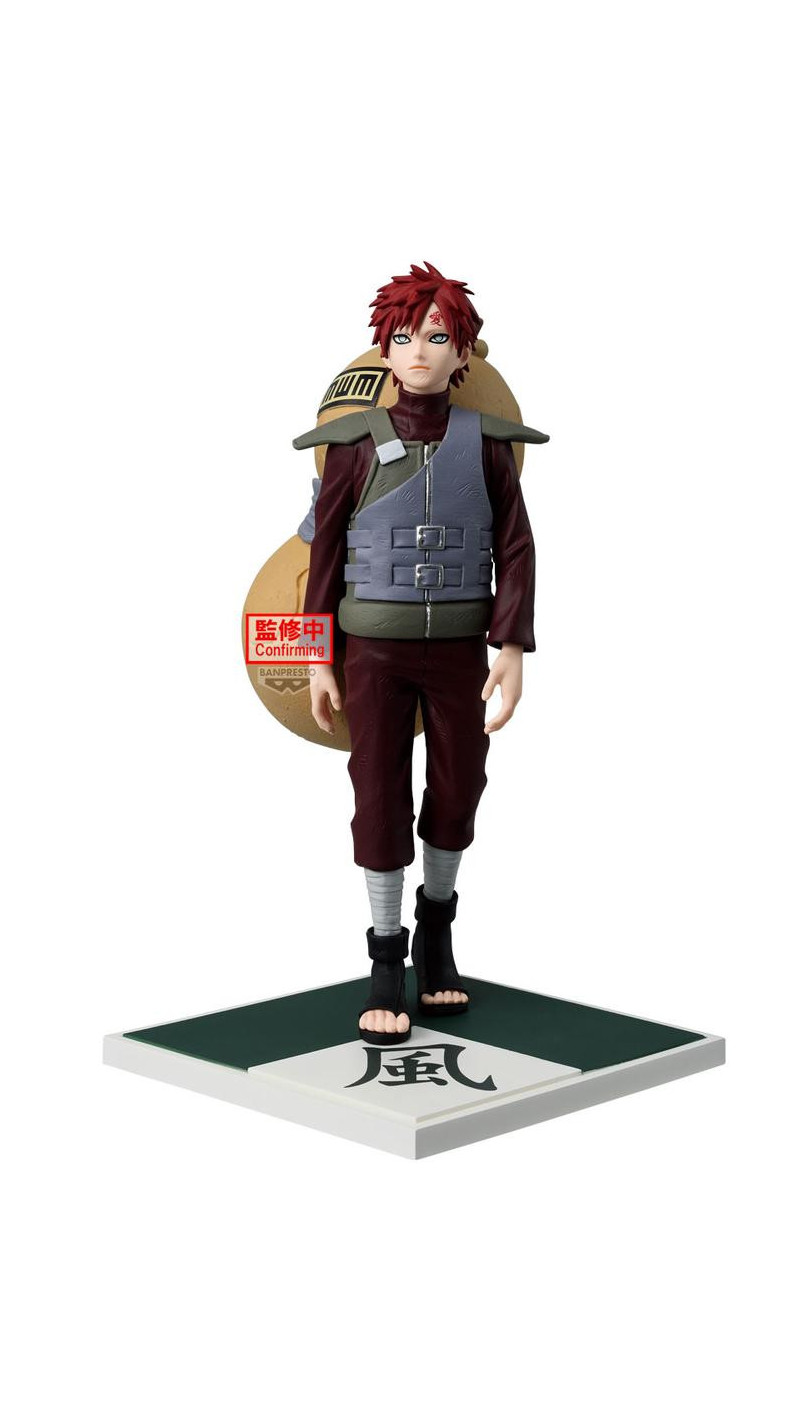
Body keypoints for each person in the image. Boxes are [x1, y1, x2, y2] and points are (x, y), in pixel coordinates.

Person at [294, 262, 547, 1045]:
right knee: (377, 793)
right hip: (372, 652)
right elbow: (324, 553)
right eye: (404, 337)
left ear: (462, 352)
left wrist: (511, 642)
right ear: (384, 349)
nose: (419, 353)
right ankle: (384, 953)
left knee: (459, 785)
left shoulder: (486, 446)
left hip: (460, 652)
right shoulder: (352, 447)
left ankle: (436, 930)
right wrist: (317, 657)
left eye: (437, 338)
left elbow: (515, 545)